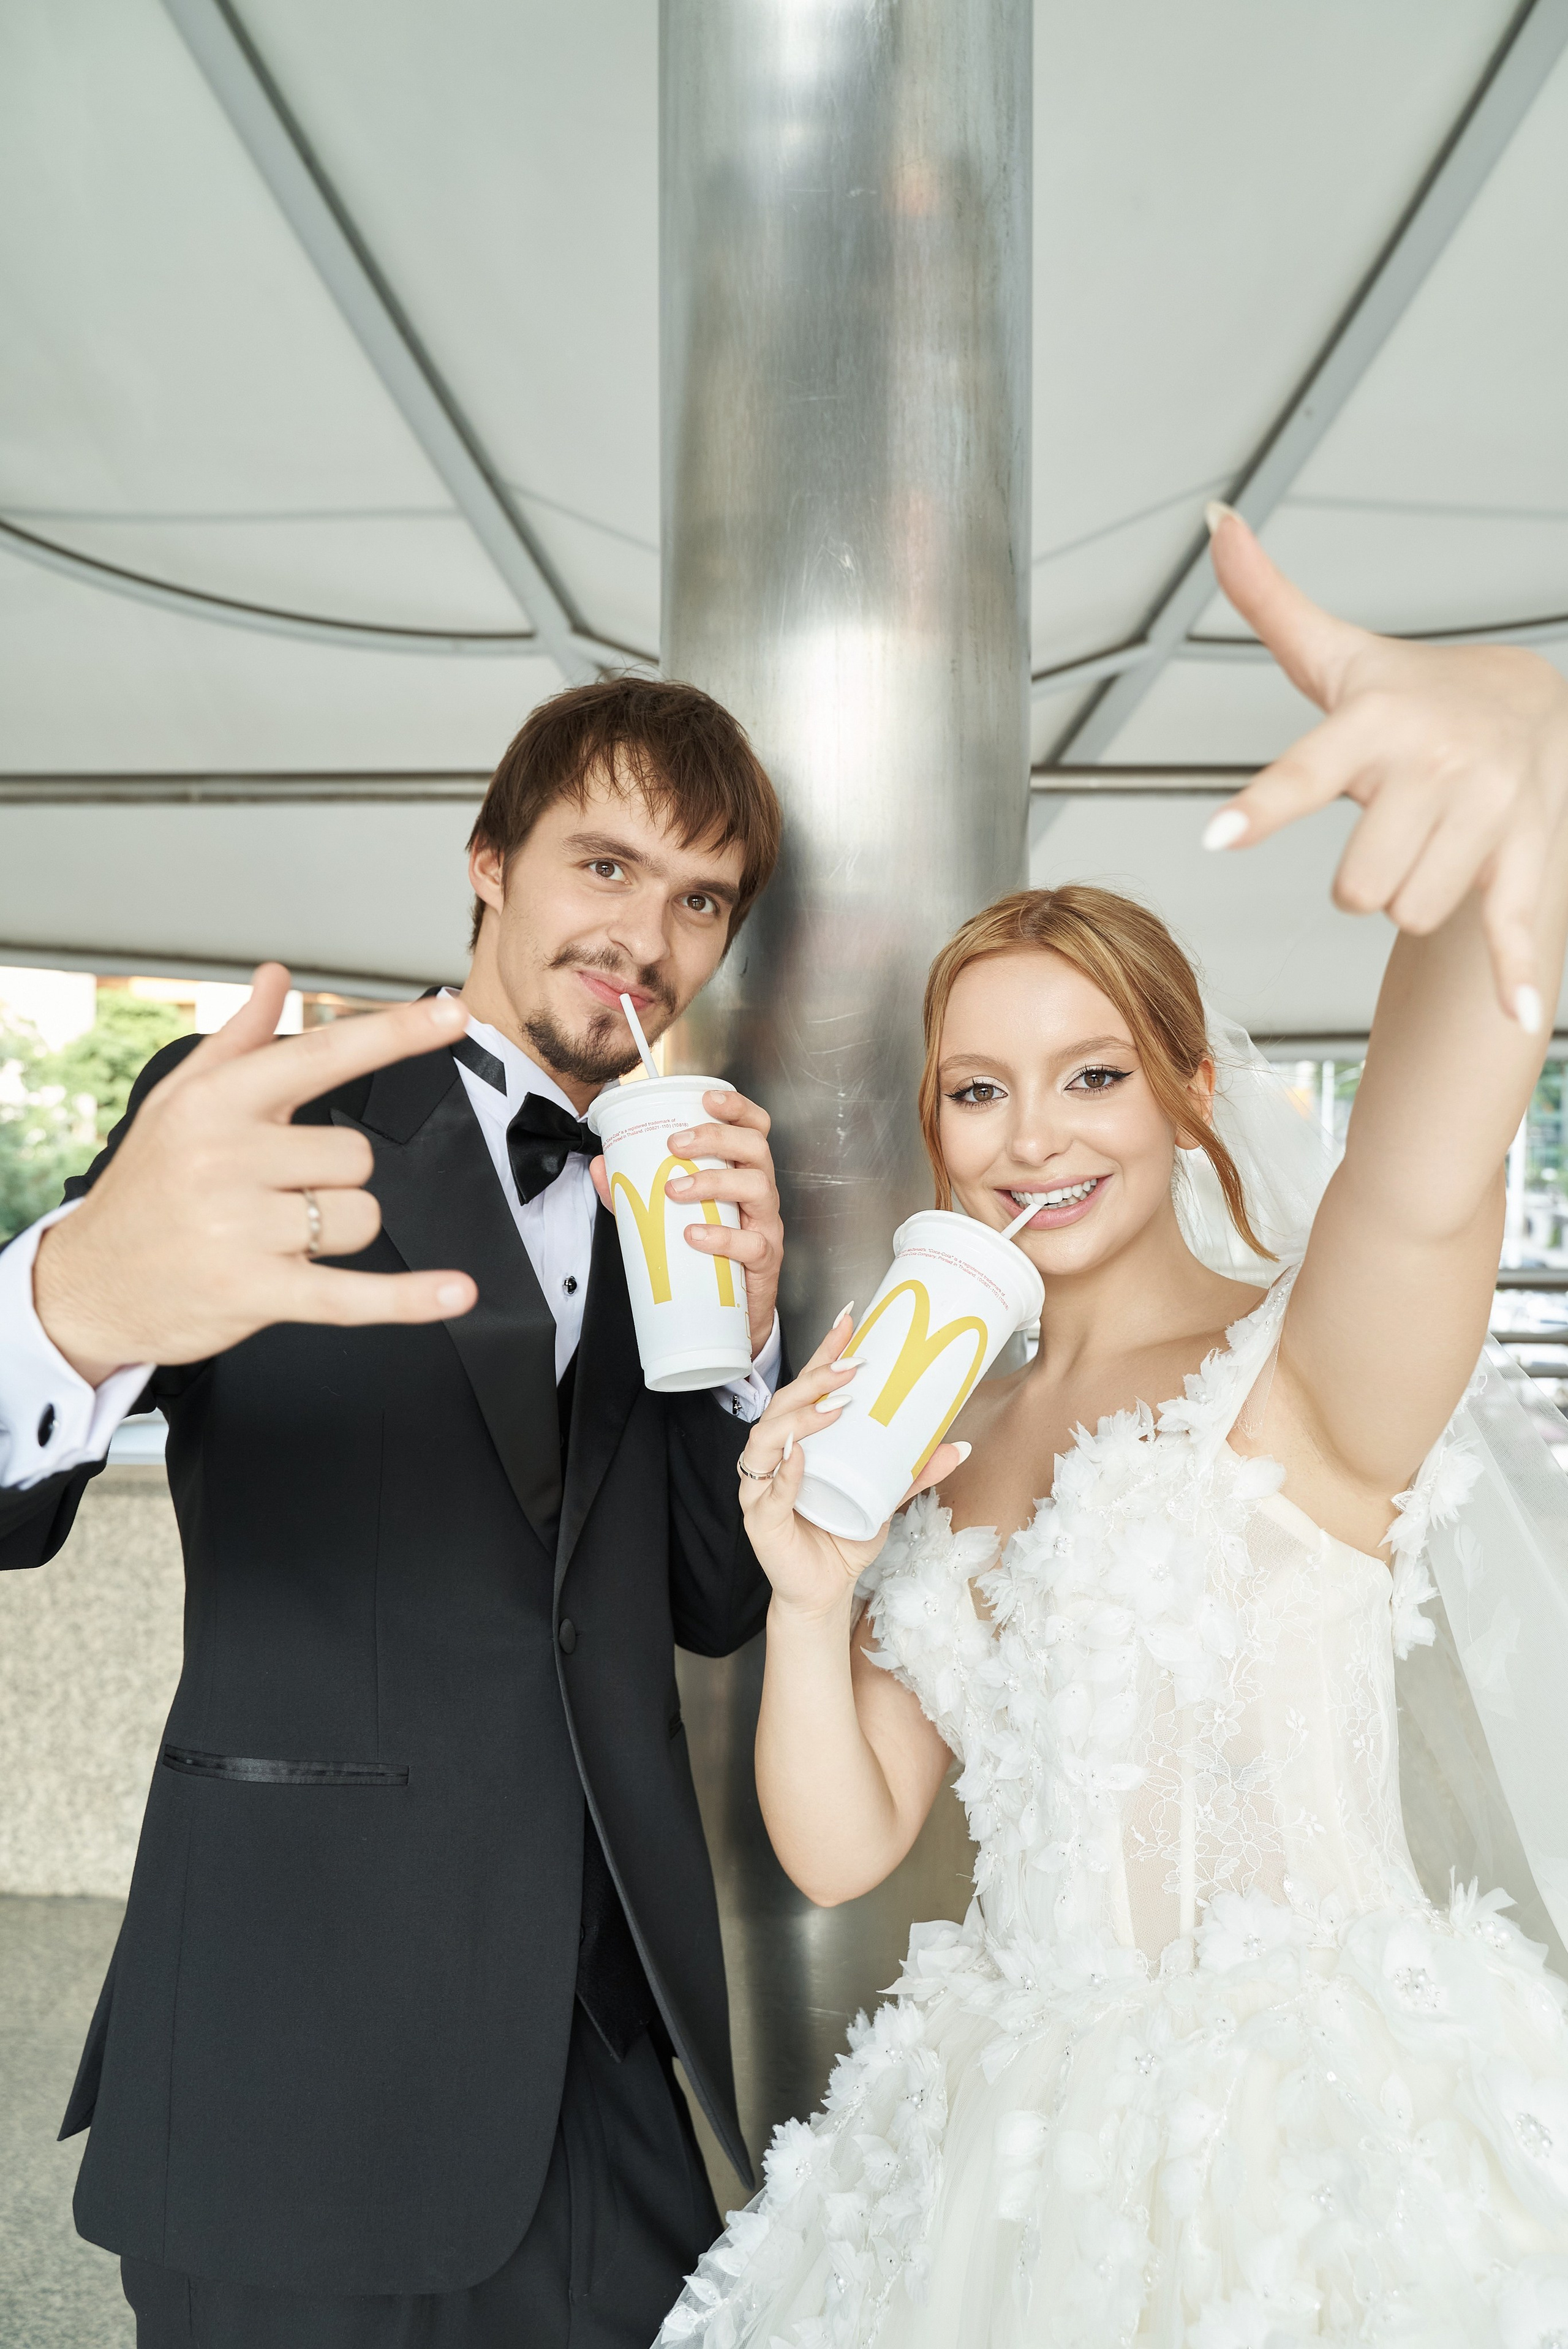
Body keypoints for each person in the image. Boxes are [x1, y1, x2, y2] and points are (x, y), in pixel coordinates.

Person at [658, 510, 1568, 2347]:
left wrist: (1524, 754)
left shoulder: (1298, 1377)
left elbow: (1420, 1168)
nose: (1032, 1134)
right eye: (980, 1088)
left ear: (1188, 1093)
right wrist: (814, 1593)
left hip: (1322, 2129)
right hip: (997, 2142)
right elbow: (844, 1843)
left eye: (1093, 1076)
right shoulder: (943, 1442)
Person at [0, 677, 789, 2347]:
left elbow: (712, 1603)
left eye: (699, 896)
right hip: (295, 2032)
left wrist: (746, 1355)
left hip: (607, 2071)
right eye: (605, 865)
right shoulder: (253, 1120)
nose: (646, 934)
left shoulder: (679, 1195)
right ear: (491, 858)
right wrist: (69, 1300)